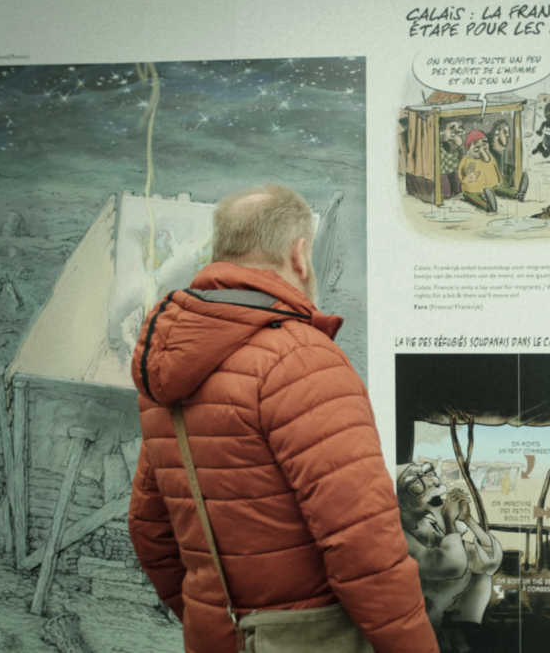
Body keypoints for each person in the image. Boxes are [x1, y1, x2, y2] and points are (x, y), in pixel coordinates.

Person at [128, 185, 438, 653]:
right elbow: (364, 544)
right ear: (299, 254)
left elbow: (149, 532)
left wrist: (211, 617)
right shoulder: (301, 358)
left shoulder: (167, 368)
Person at [397, 463, 502, 653]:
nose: (433, 481)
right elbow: (451, 566)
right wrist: (447, 519)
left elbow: (488, 563)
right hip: (417, 624)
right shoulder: (397, 536)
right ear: (400, 500)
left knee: (481, 578)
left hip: (447, 616)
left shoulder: (427, 525)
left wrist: (467, 519)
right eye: (416, 483)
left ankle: (461, 635)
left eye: (428, 472)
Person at [459, 130, 528, 212]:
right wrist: (468, 179)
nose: (481, 150)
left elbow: (495, 168)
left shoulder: (489, 157)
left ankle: (518, 195)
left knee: (500, 189)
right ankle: (488, 206)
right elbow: (461, 175)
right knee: (474, 197)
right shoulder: (466, 160)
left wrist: (499, 179)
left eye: (484, 146)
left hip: (490, 186)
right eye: (477, 148)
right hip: (472, 189)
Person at [439, 120, 466, 199]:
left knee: (458, 190)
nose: (456, 130)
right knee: (446, 194)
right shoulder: (440, 145)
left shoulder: (458, 145)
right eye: (452, 127)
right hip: (443, 172)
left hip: (454, 170)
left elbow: (459, 143)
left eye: (458, 127)